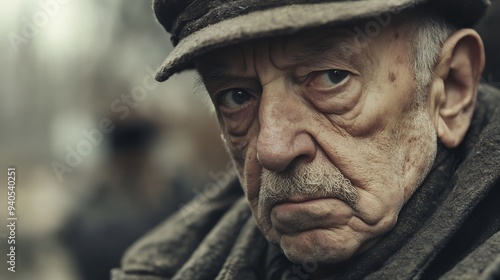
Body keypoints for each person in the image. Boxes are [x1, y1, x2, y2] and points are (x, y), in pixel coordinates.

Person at [112, 0, 500, 279]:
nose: (272, 148)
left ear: (450, 88)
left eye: (332, 77)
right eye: (237, 96)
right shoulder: (165, 267)